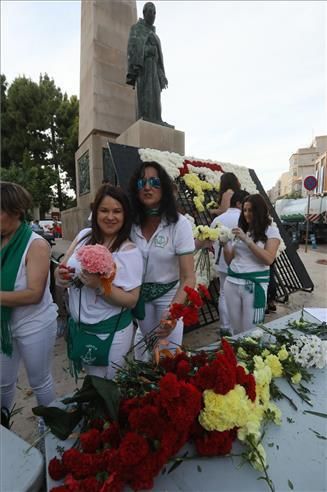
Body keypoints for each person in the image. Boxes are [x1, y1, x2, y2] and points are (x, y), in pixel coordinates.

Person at [55, 184, 143, 380]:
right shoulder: (83, 237)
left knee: (106, 387)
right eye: (104, 210)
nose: (110, 217)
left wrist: (100, 286)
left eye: (117, 211)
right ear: (95, 213)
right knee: (92, 384)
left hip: (110, 333)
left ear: (125, 215)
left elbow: (131, 300)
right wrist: (59, 275)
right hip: (81, 329)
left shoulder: (129, 251)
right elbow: (62, 267)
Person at [0, 182, 58, 423]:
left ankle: (52, 432)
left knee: (39, 381)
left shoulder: (36, 244)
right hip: (4, 327)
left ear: (15, 211)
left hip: (35, 324)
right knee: (2, 384)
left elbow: (34, 293)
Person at [129, 161, 196, 360]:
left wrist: (173, 313)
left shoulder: (179, 224)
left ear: (165, 187)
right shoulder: (130, 221)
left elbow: (188, 277)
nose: (147, 187)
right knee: (142, 358)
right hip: (138, 298)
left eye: (154, 182)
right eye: (142, 183)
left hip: (169, 297)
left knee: (167, 358)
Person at [223, 194, 281, 334]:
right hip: (232, 282)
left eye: (251, 210)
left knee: (252, 330)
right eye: (244, 210)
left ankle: (250, 354)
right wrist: (225, 243)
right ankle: (235, 354)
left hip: (254, 285)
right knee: (235, 328)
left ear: (260, 211)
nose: (247, 214)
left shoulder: (271, 231)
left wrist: (247, 241)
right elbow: (230, 260)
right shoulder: (243, 230)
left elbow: (268, 259)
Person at [211, 190, 249, 334]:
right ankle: (237, 328)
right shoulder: (244, 218)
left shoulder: (218, 219)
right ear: (239, 203)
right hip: (238, 264)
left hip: (221, 262)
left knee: (223, 293)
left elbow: (212, 239)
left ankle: (225, 326)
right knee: (238, 295)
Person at [126, 2, 168, 124]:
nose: (153, 15)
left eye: (155, 12)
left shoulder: (156, 36)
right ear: (144, 13)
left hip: (154, 69)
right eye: (150, 11)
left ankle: (157, 119)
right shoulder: (136, 29)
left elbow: (159, 60)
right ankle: (146, 117)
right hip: (143, 69)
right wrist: (148, 50)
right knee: (145, 96)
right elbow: (132, 49)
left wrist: (162, 75)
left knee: (156, 96)